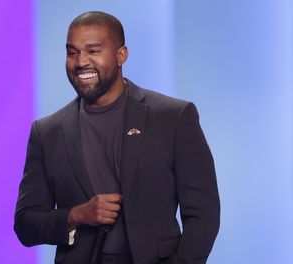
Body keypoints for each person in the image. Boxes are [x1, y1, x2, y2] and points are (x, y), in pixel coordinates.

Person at [14, 11, 220, 264]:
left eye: (93, 50)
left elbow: (203, 213)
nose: (81, 62)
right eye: (72, 52)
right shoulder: (46, 132)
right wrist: (77, 215)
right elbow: (26, 224)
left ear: (121, 55)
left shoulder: (173, 117)